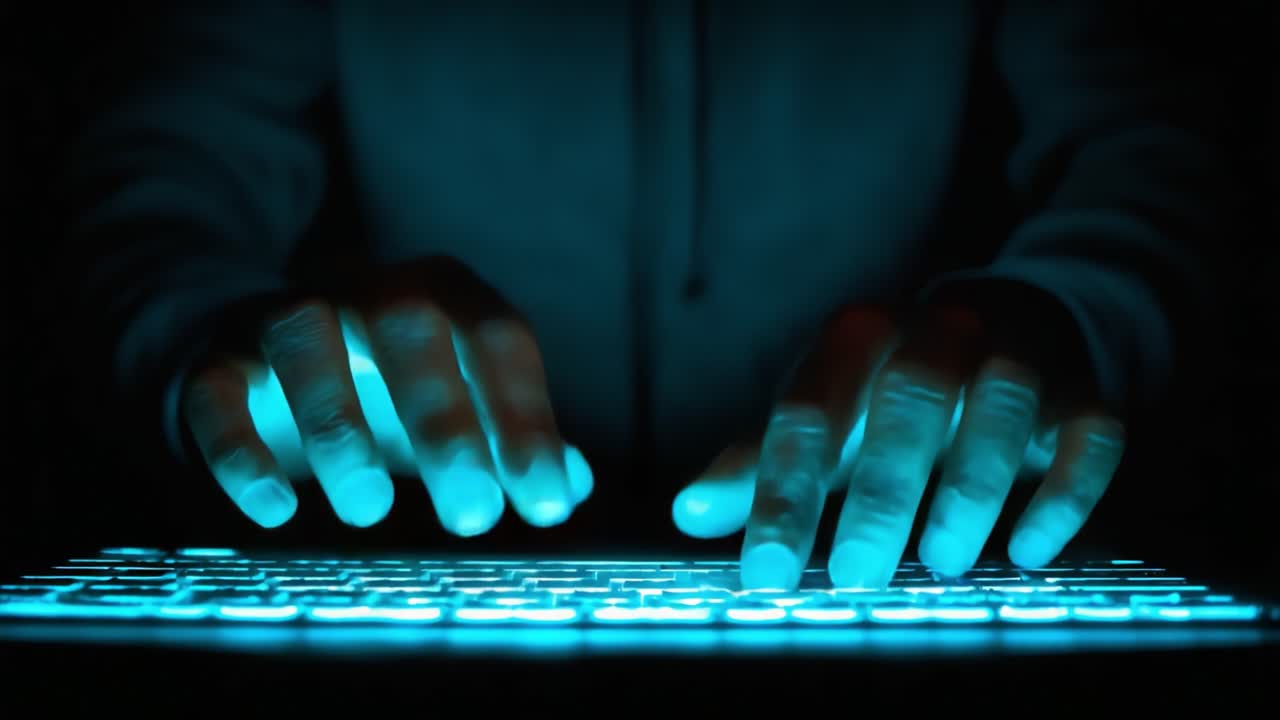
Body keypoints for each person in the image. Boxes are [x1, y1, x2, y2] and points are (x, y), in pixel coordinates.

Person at [51, 1, 1233, 591]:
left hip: (901, 552)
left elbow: (1158, 132)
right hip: (397, 545)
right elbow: (156, 161)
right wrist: (205, 339)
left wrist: (1056, 320)